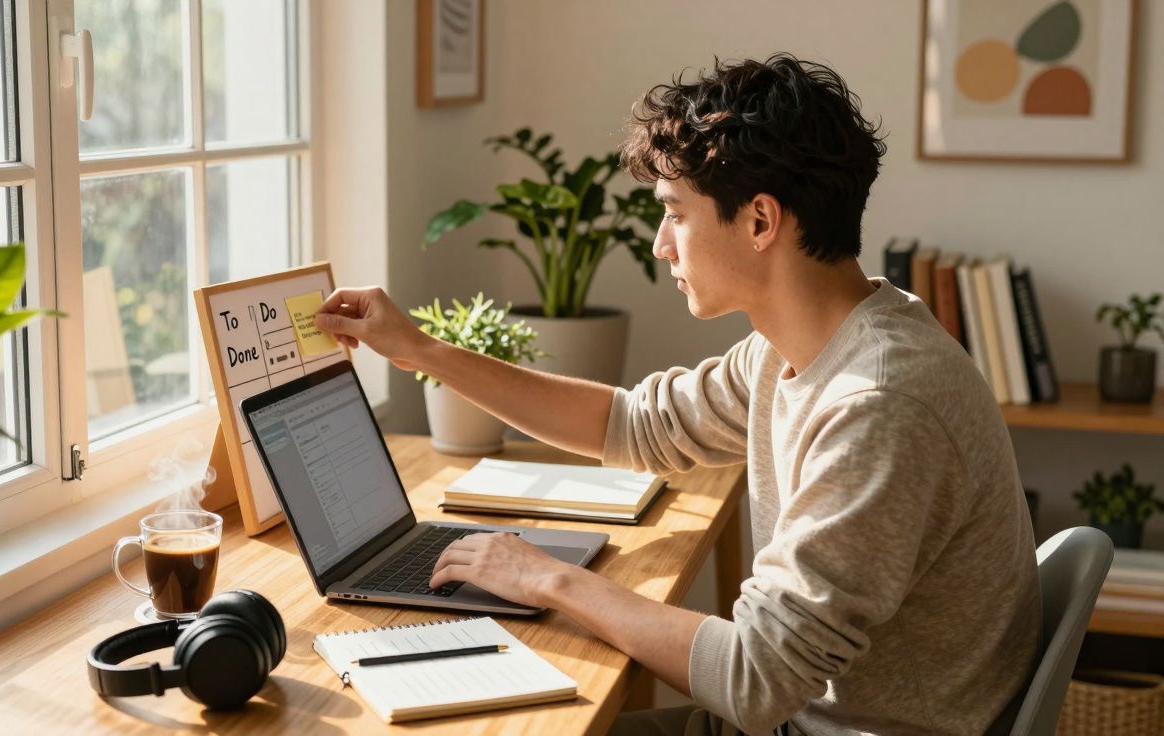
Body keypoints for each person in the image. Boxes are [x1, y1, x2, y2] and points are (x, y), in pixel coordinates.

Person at [313, 54, 1040, 736]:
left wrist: (546, 578)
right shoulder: (814, 341)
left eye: (676, 213)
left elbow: (757, 680)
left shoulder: (876, 405)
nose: (663, 244)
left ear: (760, 220)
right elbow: (634, 424)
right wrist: (420, 350)